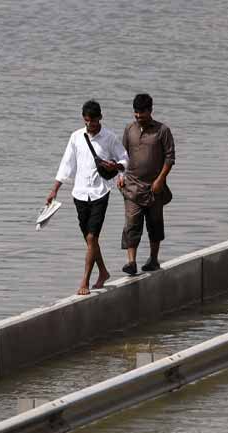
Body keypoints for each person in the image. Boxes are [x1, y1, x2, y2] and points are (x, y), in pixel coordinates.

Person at [47, 99, 128, 295]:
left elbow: (125, 158)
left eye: (92, 121)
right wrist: (54, 190)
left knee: (92, 237)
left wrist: (116, 167)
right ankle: (103, 272)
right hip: (80, 194)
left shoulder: (110, 138)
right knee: (89, 240)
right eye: (86, 121)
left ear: (100, 118)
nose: (89, 125)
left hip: (101, 192)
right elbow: (67, 165)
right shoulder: (76, 137)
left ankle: (85, 281)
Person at [117, 93, 176, 274]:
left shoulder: (162, 131)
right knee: (132, 223)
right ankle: (131, 262)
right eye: (135, 113)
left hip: (154, 188)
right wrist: (120, 176)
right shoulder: (129, 129)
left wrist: (160, 180)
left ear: (150, 111)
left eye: (141, 113)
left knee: (155, 224)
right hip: (132, 186)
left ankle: (153, 259)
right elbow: (121, 156)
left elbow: (170, 158)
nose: (138, 117)